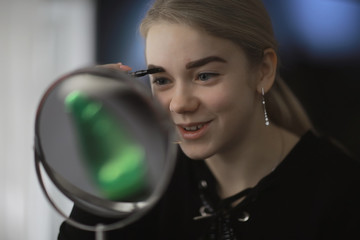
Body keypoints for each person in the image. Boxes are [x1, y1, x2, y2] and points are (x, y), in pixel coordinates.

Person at [58, 0, 360, 239]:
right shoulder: (142, 182)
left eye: (204, 75)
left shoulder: (341, 196)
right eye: (161, 80)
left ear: (263, 71)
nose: (179, 103)